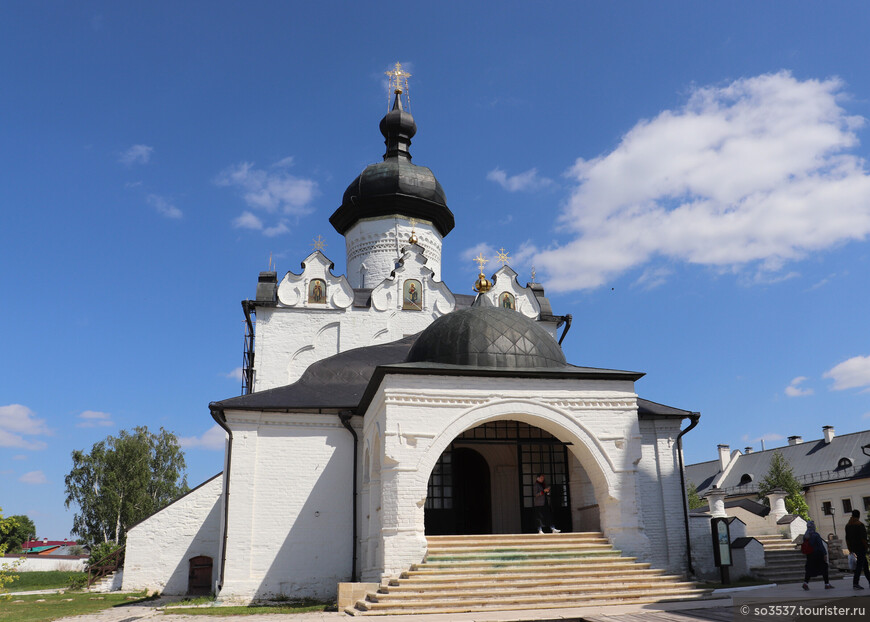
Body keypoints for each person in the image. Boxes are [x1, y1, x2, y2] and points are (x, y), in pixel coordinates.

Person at [802, 521, 834, 590]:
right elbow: (820, 545)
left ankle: (805, 583)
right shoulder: (815, 535)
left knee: (809, 569)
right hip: (818, 555)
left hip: (809, 555)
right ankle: (827, 584)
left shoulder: (805, 535)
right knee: (824, 568)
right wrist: (824, 554)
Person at [845, 509, 870, 590]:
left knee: (865, 565)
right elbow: (863, 538)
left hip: (853, 548)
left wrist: (850, 548)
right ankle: (855, 583)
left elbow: (847, 539)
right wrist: (866, 547)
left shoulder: (848, 525)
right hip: (861, 547)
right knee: (860, 566)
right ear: (858, 516)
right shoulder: (860, 525)